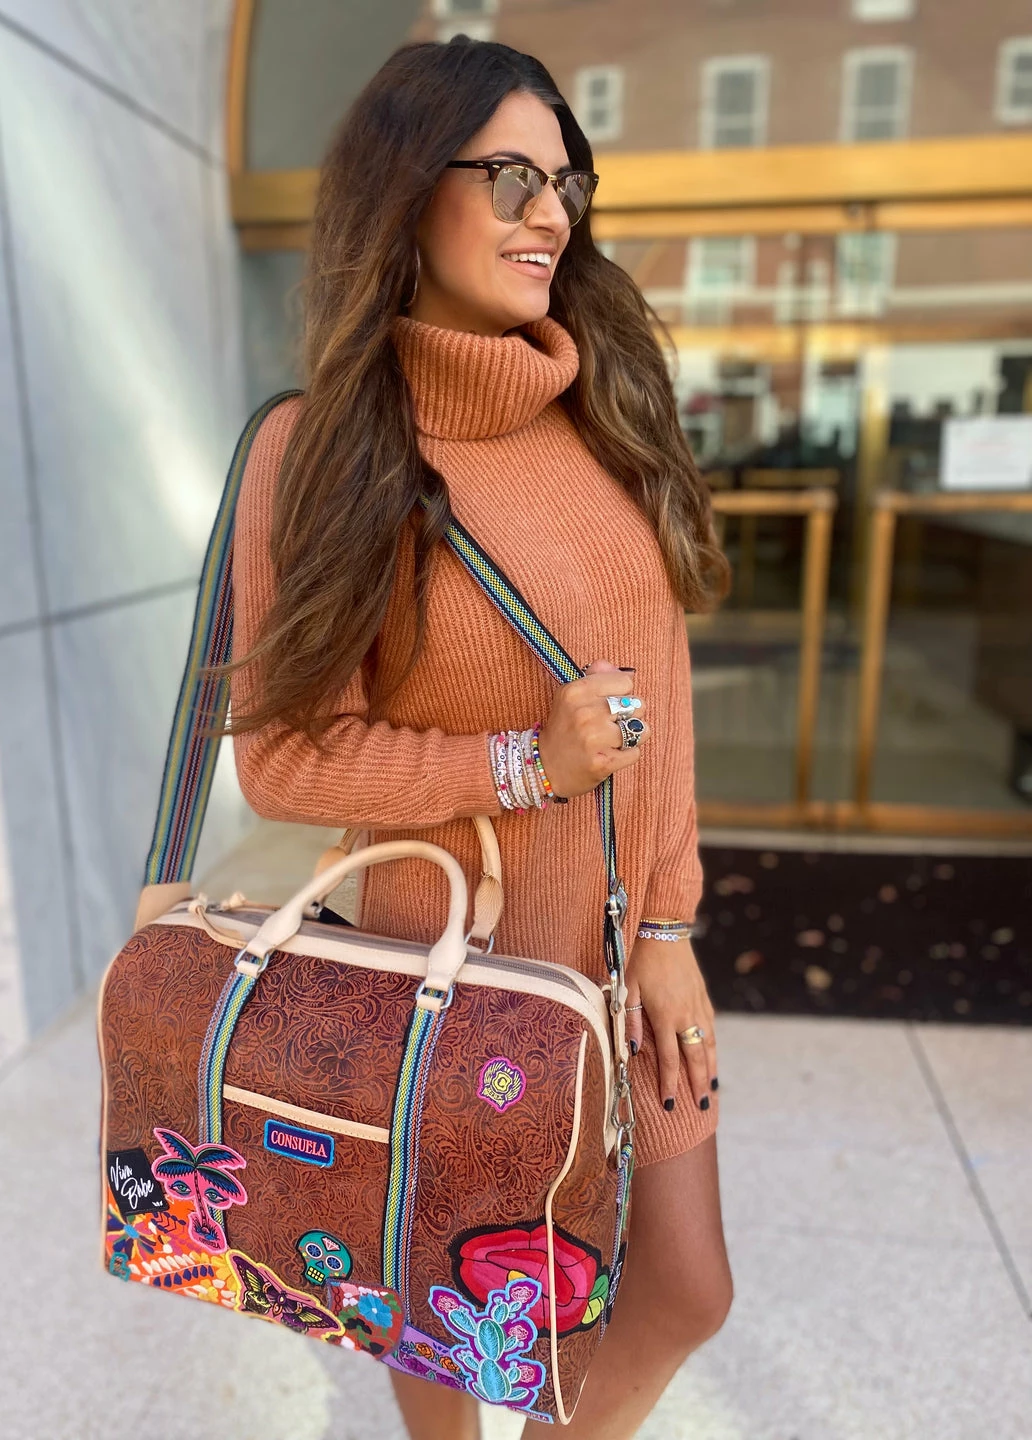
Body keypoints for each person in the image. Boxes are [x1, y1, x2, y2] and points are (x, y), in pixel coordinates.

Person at [228, 36, 733, 1440]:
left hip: (616, 957)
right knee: (453, 1315)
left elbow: (662, 694)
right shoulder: (318, 450)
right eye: (511, 176)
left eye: (566, 182)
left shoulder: (605, 410)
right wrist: (520, 764)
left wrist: (672, 927)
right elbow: (284, 758)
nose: (550, 212)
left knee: (682, 1289)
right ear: (407, 188)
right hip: (450, 968)